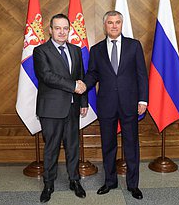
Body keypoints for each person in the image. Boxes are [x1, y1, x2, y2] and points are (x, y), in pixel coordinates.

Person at [84, 11, 148, 200]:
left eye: (117, 22)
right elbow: (92, 74)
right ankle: (110, 181)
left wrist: (143, 100)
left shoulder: (134, 46)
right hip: (106, 105)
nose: (114, 26)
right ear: (105, 25)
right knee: (108, 145)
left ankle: (133, 185)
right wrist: (82, 85)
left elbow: (141, 75)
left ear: (122, 24)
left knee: (131, 145)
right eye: (110, 23)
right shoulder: (96, 50)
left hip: (130, 104)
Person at [33, 13, 88, 203]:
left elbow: (80, 76)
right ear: (50, 30)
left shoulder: (76, 50)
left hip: (72, 109)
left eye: (65, 28)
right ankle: (49, 184)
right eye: (58, 28)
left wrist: (83, 102)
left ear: (69, 29)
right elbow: (46, 76)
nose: (62, 32)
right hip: (51, 109)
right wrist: (73, 86)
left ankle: (74, 180)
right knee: (52, 148)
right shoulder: (40, 51)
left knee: (73, 147)